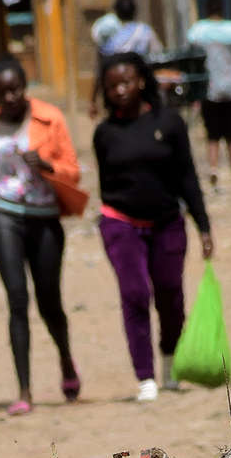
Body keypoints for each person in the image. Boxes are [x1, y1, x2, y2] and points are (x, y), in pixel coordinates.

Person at [91, 53, 212, 402]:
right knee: (134, 295)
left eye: (126, 81)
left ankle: (170, 362)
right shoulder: (105, 134)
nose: (120, 90)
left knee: (170, 294)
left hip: (167, 223)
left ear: (141, 80)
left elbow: (187, 177)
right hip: (121, 224)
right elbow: (106, 185)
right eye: (112, 86)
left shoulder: (169, 123)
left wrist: (203, 226)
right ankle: (145, 376)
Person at [0, 58, 86, 415]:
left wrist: (46, 165)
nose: (12, 96)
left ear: (26, 85)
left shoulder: (50, 118)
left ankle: (65, 359)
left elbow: (74, 171)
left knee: (49, 300)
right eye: (4, 91)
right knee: (17, 300)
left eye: (17, 88)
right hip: (5, 214)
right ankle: (24, 391)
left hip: (44, 217)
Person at [187, 0, 231, 186]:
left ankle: (213, 168)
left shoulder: (199, 30)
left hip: (209, 87)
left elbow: (193, 58)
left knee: (212, 134)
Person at [88, 0, 160, 117]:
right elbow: (158, 57)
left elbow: (100, 71)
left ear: (116, 12)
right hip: (142, 92)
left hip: (115, 100)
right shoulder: (145, 31)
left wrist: (93, 101)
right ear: (135, 11)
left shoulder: (108, 37)